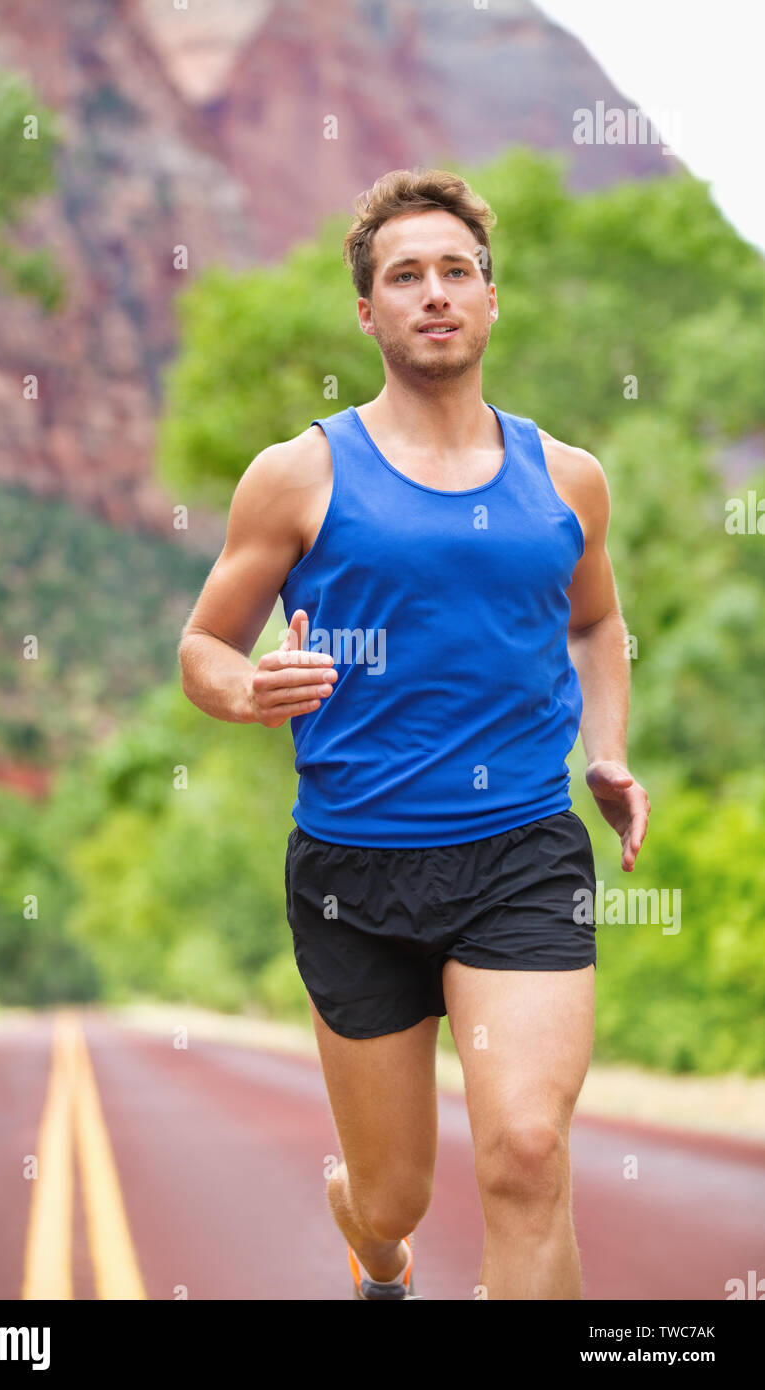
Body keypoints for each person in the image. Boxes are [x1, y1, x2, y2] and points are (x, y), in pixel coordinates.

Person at [178, 167, 650, 1301]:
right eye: (404, 276)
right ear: (367, 313)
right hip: (353, 871)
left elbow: (596, 623)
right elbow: (204, 645)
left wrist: (606, 749)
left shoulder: (566, 481)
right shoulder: (298, 475)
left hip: (522, 854)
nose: (433, 293)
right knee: (394, 1197)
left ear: (489, 299)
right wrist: (249, 691)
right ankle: (374, 1252)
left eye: (455, 271)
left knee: (527, 1155)